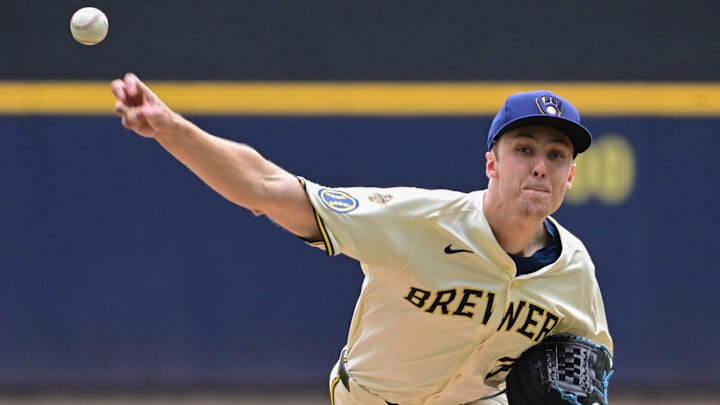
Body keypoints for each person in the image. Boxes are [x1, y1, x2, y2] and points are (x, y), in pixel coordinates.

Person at [111, 73, 613, 405]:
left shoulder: (573, 270)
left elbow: (591, 361)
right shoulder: (421, 223)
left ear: (570, 176)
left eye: (557, 155)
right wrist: (169, 127)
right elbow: (266, 188)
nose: (540, 167)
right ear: (491, 165)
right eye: (524, 149)